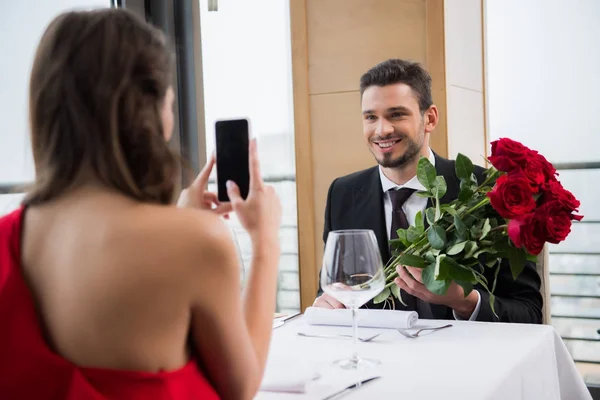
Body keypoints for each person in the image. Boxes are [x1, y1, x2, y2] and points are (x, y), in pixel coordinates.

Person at [0, 8, 281, 400]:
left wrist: (181, 222)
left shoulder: (7, 237)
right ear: (151, 110)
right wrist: (265, 241)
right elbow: (242, 388)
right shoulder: (197, 242)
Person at [313, 59, 542, 323]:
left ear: (430, 118)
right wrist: (327, 303)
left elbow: (529, 313)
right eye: (371, 117)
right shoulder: (342, 192)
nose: (382, 129)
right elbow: (334, 289)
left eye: (396, 114)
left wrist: (465, 302)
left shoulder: (486, 192)